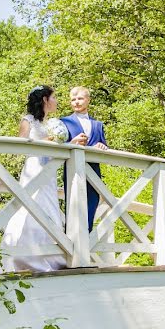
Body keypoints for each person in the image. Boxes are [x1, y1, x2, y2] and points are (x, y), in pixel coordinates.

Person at [0, 85, 68, 273]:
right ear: (45, 99)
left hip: (49, 170)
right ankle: (23, 257)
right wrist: (49, 141)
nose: (56, 101)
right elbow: (20, 146)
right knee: (31, 207)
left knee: (49, 206)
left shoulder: (50, 123)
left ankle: (50, 255)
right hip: (34, 169)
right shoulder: (28, 120)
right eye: (54, 97)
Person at [62, 86, 108, 232]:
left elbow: (104, 146)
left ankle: (85, 241)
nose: (76, 102)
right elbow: (59, 146)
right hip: (73, 171)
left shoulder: (98, 125)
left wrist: (102, 145)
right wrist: (72, 143)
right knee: (73, 208)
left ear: (88, 100)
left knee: (91, 207)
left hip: (94, 173)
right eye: (73, 100)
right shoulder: (64, 122)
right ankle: (71, 244)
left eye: (80, 98)